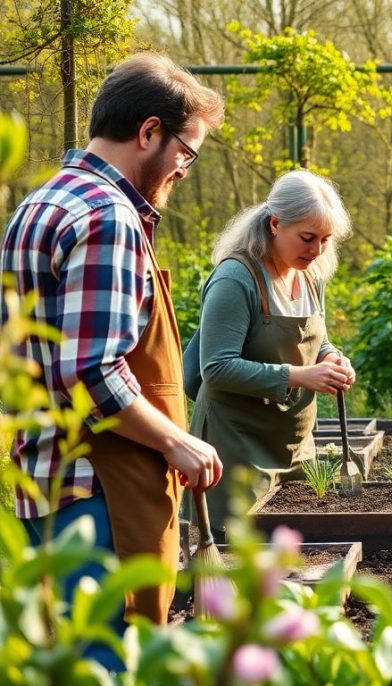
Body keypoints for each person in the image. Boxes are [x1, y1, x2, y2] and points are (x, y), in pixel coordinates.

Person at [0, 52, 225, 666]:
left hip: (40, 488)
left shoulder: (38, 204)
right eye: (187, 151)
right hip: (100, 498)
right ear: (149, 131)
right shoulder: (109, 218)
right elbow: (90, 373)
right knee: (104, 663)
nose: (184, 169)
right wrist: (179, 442)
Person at [186, 169, 355, 531]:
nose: (317, 250)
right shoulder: (236, 279)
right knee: (239, 561)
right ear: (276, 223)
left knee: (297, 558)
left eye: (325, 240)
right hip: (235, 447)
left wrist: (331, 358)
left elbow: (316, 340)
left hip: (294, 444)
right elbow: (215, 367)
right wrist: (301, 376)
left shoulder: (310, 275)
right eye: (308, 238)